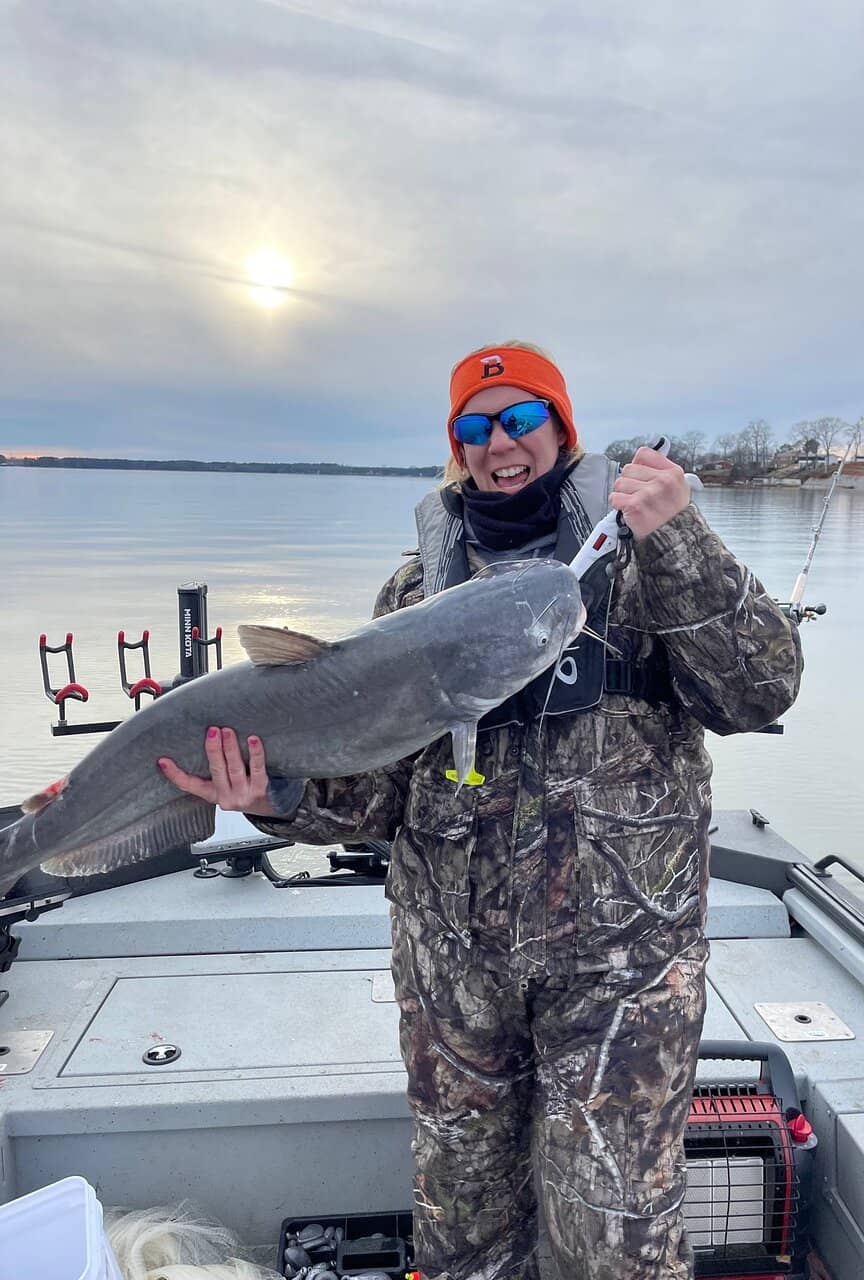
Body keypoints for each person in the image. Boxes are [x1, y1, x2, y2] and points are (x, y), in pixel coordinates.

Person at [159, 341, 803, 1280]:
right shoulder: (416, 591)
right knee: (466, 1243)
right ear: (456, 447)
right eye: (474, 427)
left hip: (622, 979)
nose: (500, 443)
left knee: (616, 1245)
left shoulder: (644, 560)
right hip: (453, 978)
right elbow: (376, 794)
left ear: (561, 428)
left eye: (521, 419)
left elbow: (760, 692)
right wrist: (277, 796)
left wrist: (681, 539)